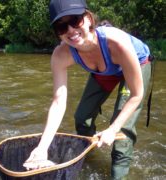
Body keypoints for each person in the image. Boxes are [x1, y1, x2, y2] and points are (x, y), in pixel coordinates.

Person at [23, 0, 152, 179]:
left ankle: (118, 175)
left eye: (75, 20)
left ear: (89, 18)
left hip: (136, 63)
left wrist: (113, 129)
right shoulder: (61, 55)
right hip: (105, 69)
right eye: (61, 26)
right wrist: (42, 147)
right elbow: (58, 101)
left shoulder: (117, 43)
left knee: (122, 133)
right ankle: (89, 154)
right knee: (82, 118)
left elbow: (137, 95)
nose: (70, 30)